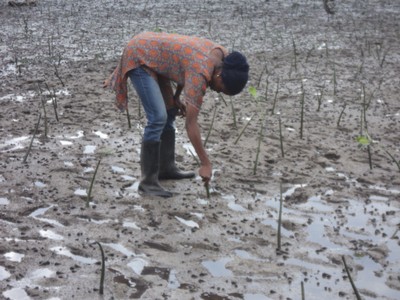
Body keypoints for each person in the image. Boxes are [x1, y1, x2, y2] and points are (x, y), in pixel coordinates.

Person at [104, 32, 249, 198]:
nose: (217, 91)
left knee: (170, 110)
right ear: (219, 77)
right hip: (140, 55)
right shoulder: (201, 71)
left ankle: (166, 169)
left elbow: (182, 65)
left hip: (154, 55)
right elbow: (191, 124)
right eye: (221, 89)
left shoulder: (223, 57)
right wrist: (205, 163)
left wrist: (176, 97)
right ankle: (147, 183)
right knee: (158, 117)